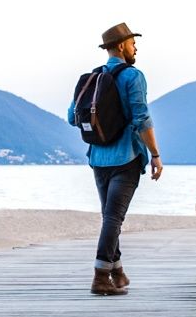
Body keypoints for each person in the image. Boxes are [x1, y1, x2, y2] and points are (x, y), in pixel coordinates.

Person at [66, 21, 161, 296]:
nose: (136, 48)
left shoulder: (92, 77)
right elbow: (142, 118)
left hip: (97, 157)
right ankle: (100, 276)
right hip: (126, 157)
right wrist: (155, 155)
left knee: (110, 216)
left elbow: (72, 117)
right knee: (113, 218)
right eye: (133, 43)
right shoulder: (133, 76)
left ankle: (117, 273)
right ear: (121, 45)